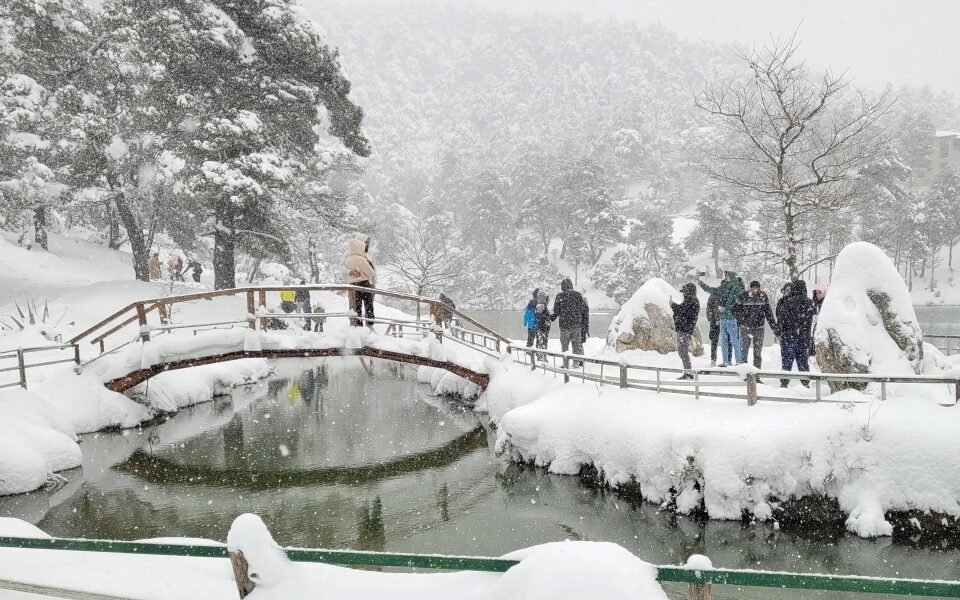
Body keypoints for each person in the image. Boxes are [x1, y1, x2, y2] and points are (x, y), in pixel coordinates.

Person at [697, 270, 744, 367]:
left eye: (726, 275)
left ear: (731, 276)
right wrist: (700, 283)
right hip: (723, 318)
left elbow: (738, 303)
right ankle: (726, 361)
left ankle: (738, 361)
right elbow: (713, 290)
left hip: (731, 318)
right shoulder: (725, 286)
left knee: (734, 341)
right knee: (724, 341)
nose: (725, 277)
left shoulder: (737, 288)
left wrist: (726, 308)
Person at [733, 280, 779, 369]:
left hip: (759, 328)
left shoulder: (763, 296)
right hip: (745, 328)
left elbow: (768, 313)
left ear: (759, 288)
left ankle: (757, 373)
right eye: (753, 287)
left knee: (757, 353)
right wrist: (741, 320)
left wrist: (774, 327)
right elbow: (735, 309)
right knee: (744, 352)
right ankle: (744, 374)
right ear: (750, 288)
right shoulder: (743, 296)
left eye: (756, 287)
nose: (755, 289)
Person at [778, 280, 815, 388]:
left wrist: (783, 333)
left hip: (789, 336)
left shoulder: (788, 302)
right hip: (803, 337)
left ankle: (784, 384)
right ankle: (805, 384)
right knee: (803, 362)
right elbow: (810, 322)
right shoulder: (809, 303)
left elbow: (782, 320)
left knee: (786, 362)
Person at [551, 278, 588, 366]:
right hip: (576, 325)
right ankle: (576, 364)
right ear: (571, 285)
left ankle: (566, 364)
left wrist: (555, 316)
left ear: (562, 287)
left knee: (565, 346)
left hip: (564, 326)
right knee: (576, 346)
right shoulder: (578, 295)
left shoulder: (559, 296)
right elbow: (583, 309)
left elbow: (556, 311)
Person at [669, 283, 700, 379]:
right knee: (682, 351)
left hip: (685, 329)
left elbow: (682, 311)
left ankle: (688, 373)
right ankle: (688, 372)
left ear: (689, 292)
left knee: (683, 351)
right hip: (683, 329)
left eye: (684, 292)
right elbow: (682, 311)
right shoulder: (690, 300)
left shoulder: (692, 300)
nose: (683, 294)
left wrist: (673, 305)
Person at [344, 238, 376, 329]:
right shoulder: (361, 259)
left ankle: (358, 325)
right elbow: (371, 273)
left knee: (357, 306)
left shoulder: (347, 260)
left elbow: (344, 272)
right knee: (368, 305)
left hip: (353, 286)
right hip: (364, 285)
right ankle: (370, 325)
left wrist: (351, 273)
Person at [810, 283, 828, 356]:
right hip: (814, 330)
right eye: (816, 293)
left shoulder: (827, 303)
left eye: (819, 292)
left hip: (823, 330)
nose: (817, 295)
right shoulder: (814, 303)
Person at [533, 289, 551, 359]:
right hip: (542, 328)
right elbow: (541, 317)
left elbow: (537, 317)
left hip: (540, 327)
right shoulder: (541, 306)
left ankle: (540, 356)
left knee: (540, 341)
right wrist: (548, 318)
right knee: (542, 342)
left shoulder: (539, 306)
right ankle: (542, 357)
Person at [705, 292, 722, 367]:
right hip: (715, 322)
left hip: (726, 321)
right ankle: (713, 360)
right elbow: (709, 308)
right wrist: (712, 320)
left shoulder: (730, 294)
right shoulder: (714, 295)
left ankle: (727, 360)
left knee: (728, 342)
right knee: (714, 340)